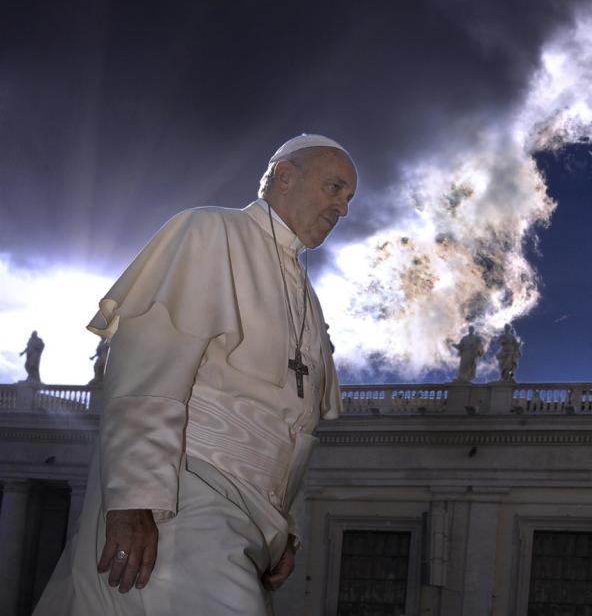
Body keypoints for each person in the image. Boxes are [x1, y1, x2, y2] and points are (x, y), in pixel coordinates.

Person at [33, 134, 356, 616]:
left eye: (348, 198)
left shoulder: (307, 294)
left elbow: (294, 423)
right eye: (334, 188)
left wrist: (285, 530)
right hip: (183, 499)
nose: (342, 207)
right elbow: (147, 371)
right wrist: (133, 502)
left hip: (249, 519)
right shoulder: (208, 232)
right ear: (285, 176)